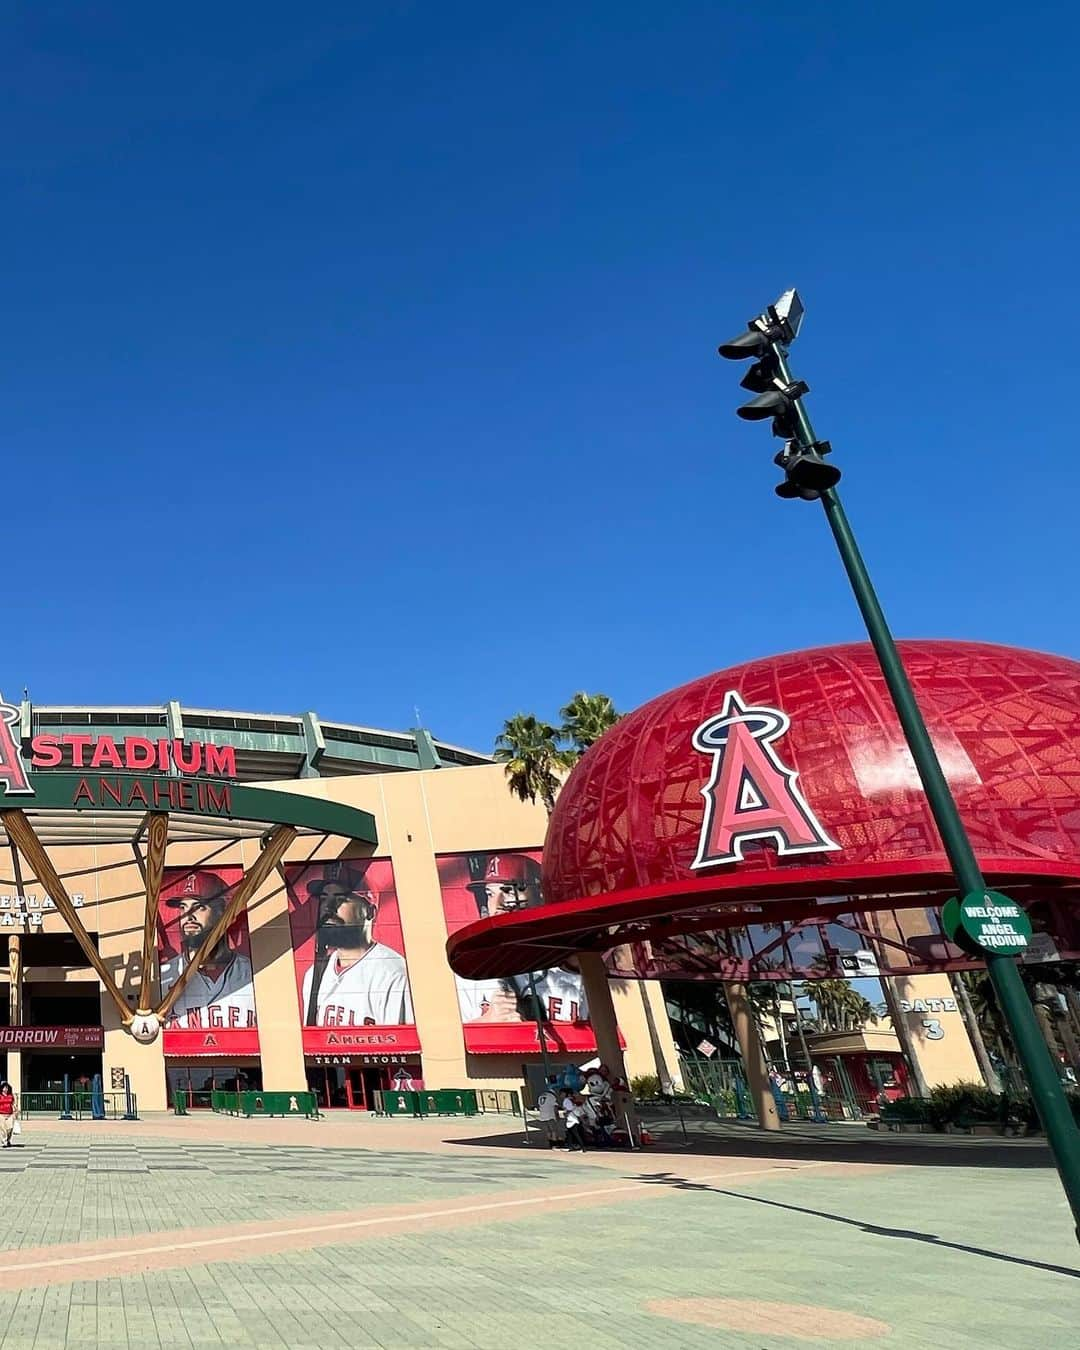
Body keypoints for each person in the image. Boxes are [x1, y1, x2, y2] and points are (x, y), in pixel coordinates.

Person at [455, 854, 588, 1024]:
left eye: (508, 890)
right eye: (489, 893)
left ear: (540, 894)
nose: (496, 905)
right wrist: (487, 1022)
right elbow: (447, 1043)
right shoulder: (470, 969)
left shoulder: (570, 965)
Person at [301, 865, 413, 1027]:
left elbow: (402, 1047)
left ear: (369, 912)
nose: (328, 907)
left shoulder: (394, 975)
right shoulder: (313, 975)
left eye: (341, 899)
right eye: (324, 898)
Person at [160, 872, 256, 1029]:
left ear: (221, 914)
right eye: (183, 907)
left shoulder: (252, 974)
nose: (188, 916)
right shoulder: (164, 977)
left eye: (199, 907)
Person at [536, 1076, 563, 1149]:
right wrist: (557, 1116)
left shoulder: (541, 1096)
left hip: (542, 1116)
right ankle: (555, 1144)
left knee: (548, 1131)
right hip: (550, 1115)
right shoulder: (552, 1096)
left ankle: (550, 1144)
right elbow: (555, 1107)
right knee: (554, 1130)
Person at [0, 1081, 16, 1147]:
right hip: (1, 1114)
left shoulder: (10, 1096)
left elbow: (13, 1103)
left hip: (10, 1114)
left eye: (7, 1087)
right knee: (3, 1129)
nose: (6, 1089)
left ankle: (8, 1140)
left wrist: (15, 1110)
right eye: (4, 1087)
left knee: (10, 1128)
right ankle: (4, 1141)